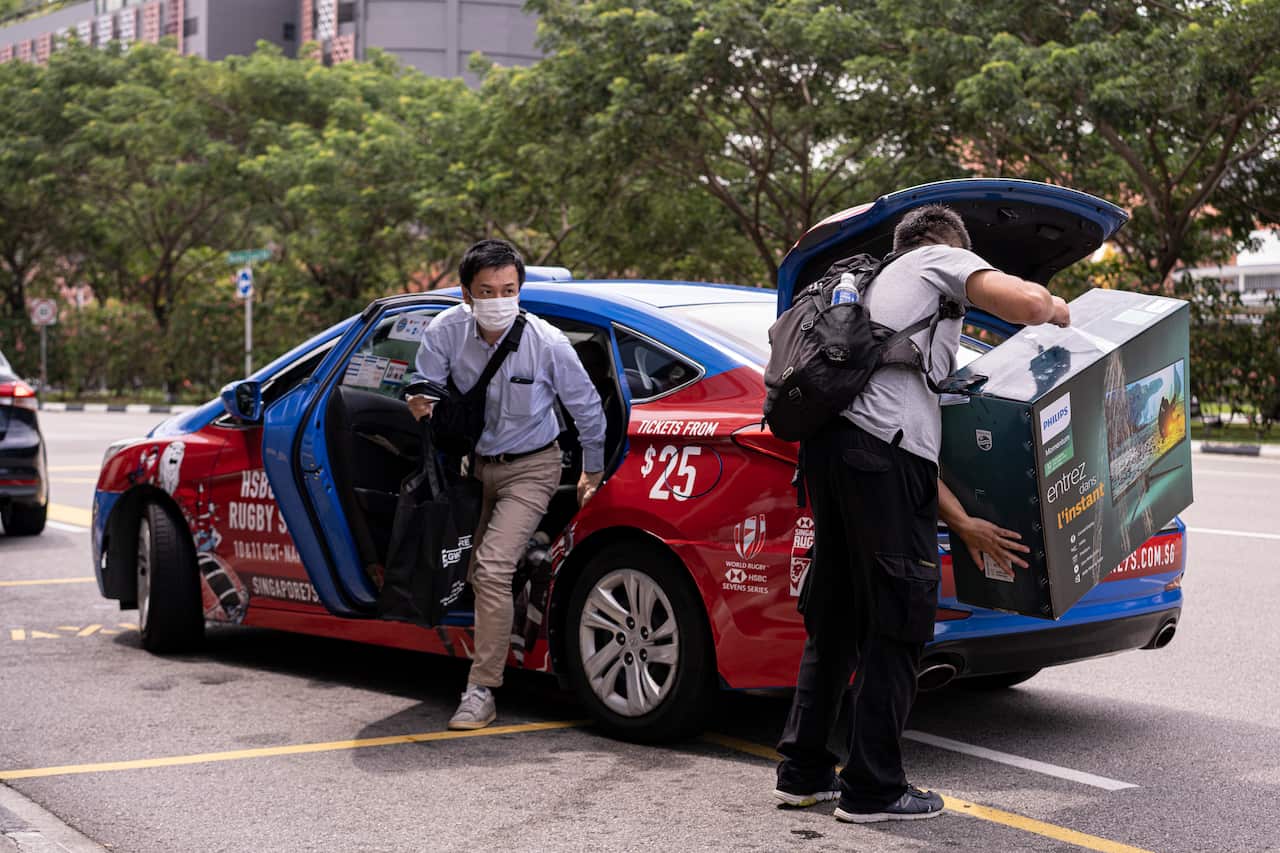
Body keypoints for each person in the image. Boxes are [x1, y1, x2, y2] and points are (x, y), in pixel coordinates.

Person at [773, 205, 1070, 823]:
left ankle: (803, 773)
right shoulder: (935, 256)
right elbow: (1030, 305)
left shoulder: (874, 292)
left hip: (832, 453)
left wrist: (960, 521)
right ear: (949, 246)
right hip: (876, 461)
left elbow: (897, 442)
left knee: (838, 619)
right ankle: (874, 790)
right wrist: (1060, 309)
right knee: (898, 621)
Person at [407, 239, 607, 731]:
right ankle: (532, 546)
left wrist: (592, 472)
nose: (499, 299)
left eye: (509, 289)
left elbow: (587, 411)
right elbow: (423, 385)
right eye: (487, 290)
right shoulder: (444, 332)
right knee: (468, 568)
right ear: (466, 293)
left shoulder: (547, 342)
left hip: (533, 467)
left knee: (491, 571)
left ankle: (482, 691)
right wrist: (420, 403)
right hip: (471, 469)